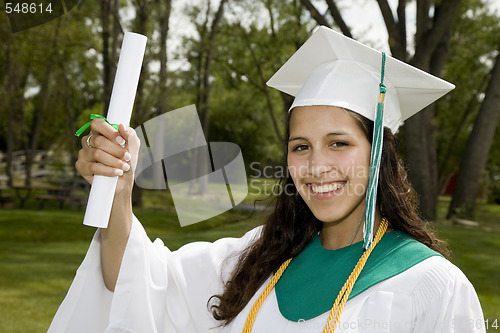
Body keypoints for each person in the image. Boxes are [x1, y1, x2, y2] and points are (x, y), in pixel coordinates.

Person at [48, 26, 485, 333]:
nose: (316, 166)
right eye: (300, 146)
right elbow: (137, 281)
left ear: (379, 156)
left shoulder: (432, 287)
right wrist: (119, 189)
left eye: (338, 143)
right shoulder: (259, 259)